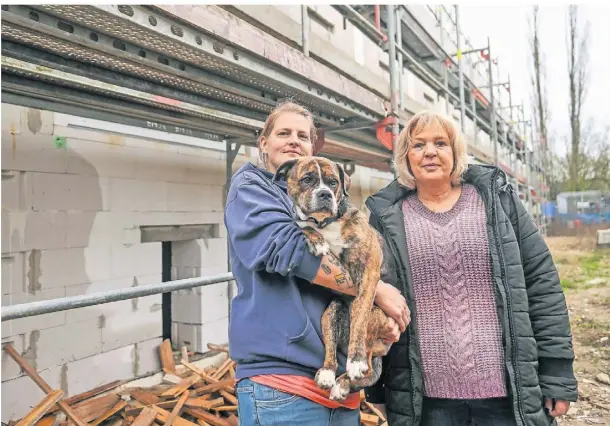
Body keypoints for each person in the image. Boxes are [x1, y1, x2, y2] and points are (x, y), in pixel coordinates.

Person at [364, 110, 578, 426]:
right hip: (427, 404)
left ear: (456, 151)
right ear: (406, 155)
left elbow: (541, 284)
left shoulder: (497, 201)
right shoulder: (386, 217)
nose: (430, 152)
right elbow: (372, 304)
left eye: (441, 143)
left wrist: (556, 373)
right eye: (419, 145)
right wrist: (377, 391)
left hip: (507, 396)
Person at [224, 100, 411, 425]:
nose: (294, 140)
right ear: (264, 143)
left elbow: (366, 255)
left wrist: (380, 323)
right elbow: (290, 250)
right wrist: (375, 288)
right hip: (283, 383)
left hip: (340, 385)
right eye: (283, 133)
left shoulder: (332, 203)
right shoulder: (253, 187)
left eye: (303, 135)